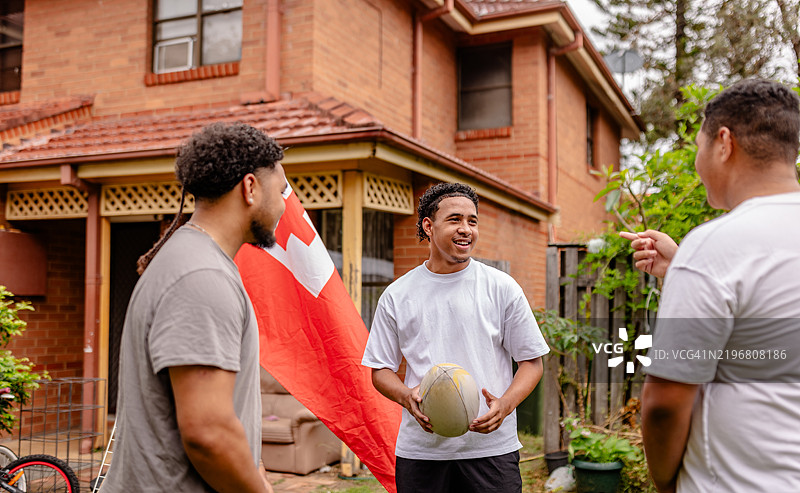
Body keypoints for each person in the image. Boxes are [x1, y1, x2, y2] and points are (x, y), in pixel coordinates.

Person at [626, 79, 800, 492]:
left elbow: (665, 401)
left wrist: (665, 483)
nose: (698, 162)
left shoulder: (715, 246)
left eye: (699, 147)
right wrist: (683, 268)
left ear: (724, 142)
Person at [100, 122, 287, 493]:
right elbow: (208, 433)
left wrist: (251, 464)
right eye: (281, 191)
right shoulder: (202, 276)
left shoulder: (194, 261)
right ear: (250, 188)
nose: (284, 205)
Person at [361, 182, 549, 493]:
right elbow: (380, 370)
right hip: (422, 451)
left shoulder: (501, 288)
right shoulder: (397, 295)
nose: (466, 229)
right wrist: (406, 397)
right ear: (428, 226)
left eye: (472, 221)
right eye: (455, 220)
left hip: (491, 450)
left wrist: (505, 405)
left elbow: (532, 362)